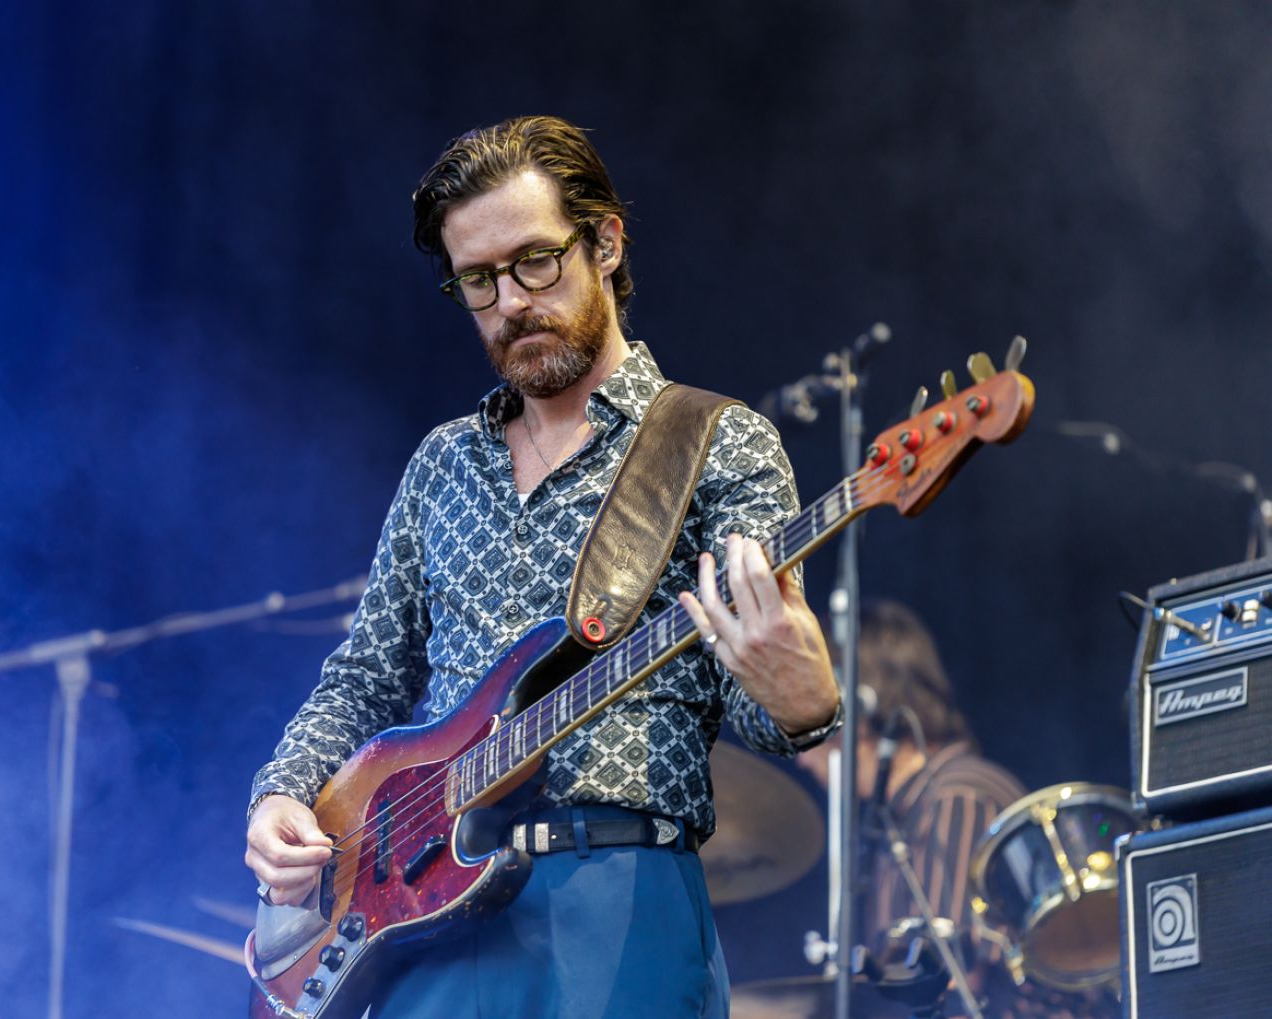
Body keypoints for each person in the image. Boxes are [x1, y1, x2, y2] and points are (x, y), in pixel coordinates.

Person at [243, 115, 841, 1019]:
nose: (511, 301)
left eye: (534, 261)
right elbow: (366, 675)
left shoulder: (714, 441)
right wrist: (283, 792)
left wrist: (801, 693)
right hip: (420, 914)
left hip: (617, 897)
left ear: (605, 241)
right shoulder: (443, 463)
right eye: (478, 281)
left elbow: (762, 708)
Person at [795, 599, 1032, 1018]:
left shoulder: (956, 799)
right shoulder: (905, 813)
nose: (803, 753)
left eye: (812, 716)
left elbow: (947, 992)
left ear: (858, 706)